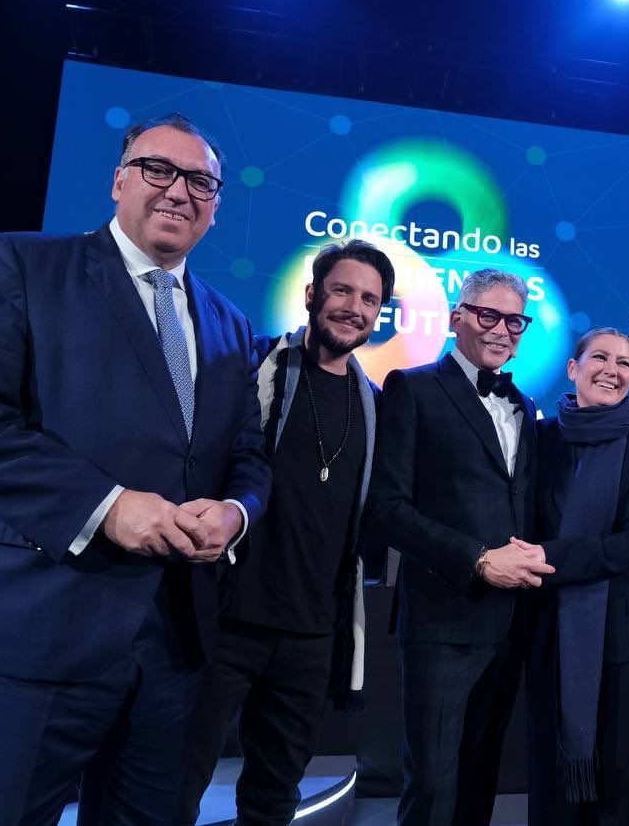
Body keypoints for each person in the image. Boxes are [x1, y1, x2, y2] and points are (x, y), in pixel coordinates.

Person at [0, 112, 272, 824]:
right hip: (31, 633)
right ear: (117, 180)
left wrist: (236, 513)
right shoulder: (20, 264)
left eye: (200, 180)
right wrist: (105, 504)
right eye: (156, 168)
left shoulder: (229, 322)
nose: (178, 191)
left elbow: (247, 456)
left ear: (217, 203)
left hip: (171, 651)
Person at [175, 240, 394, 825]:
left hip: (311, 636)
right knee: (175, 784)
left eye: (369, 299)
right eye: (342, 290)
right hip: (226, 622)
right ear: (311, 295)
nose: (354, 307)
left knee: (273, 800)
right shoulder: (251, 368)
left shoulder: (376, 408)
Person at [364, 268, 554, 826]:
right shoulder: (413, 387)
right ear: (456, 318)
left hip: (511, 624)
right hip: (443, 623)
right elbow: (386, 509)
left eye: (514, 320)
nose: (502, 330)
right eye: (488, 315)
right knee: (433, 786)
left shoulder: (523, 404)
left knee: (480, 779)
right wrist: (475, 559)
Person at [525, 328, 629, 825]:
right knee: (553, 791)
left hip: (626, 639)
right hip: (550, 634)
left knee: (622, 794)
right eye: (599, 357)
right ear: (573, 368)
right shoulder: (543, 437)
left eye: (625, 363)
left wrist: (546, 556)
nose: (613, 370)